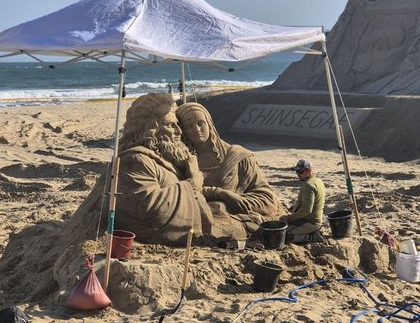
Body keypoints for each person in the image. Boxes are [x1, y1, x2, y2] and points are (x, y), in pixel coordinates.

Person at [114, 93, 213, 244]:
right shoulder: (135, 160)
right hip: (155, 239)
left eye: (178, 125)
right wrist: (193, 183)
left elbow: (172, 187)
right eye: (170, 125)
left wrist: (221, 193)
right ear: (151, 129)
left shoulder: (165, 156)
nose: (179, 132)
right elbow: (149, 209)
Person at [175, 102, 284, 238]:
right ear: (182, 131)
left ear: (209, 124)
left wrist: (234, 201)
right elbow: (181, 194)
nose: (196, 129)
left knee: (218, 209)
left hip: (234, 212)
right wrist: (222, 195)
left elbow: (267, 198)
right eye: (189, 126)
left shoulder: (238, 156)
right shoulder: (182, 161)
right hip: (200, 215)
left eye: (200, 123)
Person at [282, 159, 325, 243]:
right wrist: (295, 207)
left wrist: (289, 218)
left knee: (282, 234)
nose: (298, 174)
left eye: (300, 171)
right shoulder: (317, 181)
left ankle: (311, 237)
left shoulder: (308, 185)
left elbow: (307, 210)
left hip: (311, 223)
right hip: (313, 220)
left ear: (309, 171)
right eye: (297, 171)